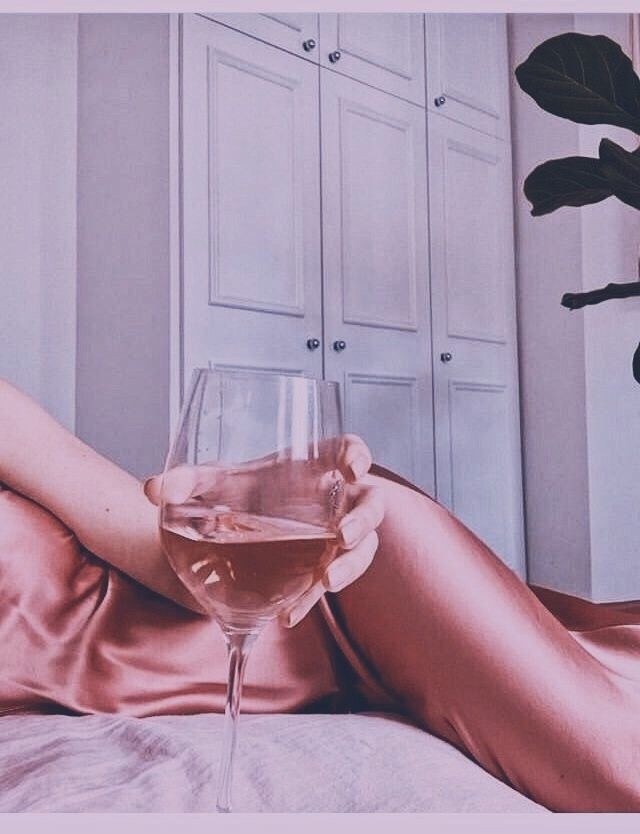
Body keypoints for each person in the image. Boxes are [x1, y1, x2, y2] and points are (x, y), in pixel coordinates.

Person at [1, 376, 640, 813]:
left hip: (332, 594)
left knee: (619, 775)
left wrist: (264, 502)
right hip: (294, 668)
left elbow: (168, 553)